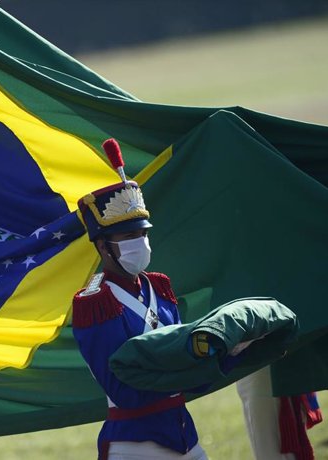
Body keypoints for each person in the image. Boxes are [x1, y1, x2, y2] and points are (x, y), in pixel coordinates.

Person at [72, 138, 208, 460]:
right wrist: (188, 365)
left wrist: (227, 352)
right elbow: (125, 390)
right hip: (135, 445)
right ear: (103, 247)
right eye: (129, 236)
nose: (141, 243)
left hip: (185, 436)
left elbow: (192, 369)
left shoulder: (159, 287)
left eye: (143, 233)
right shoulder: (94, 303)